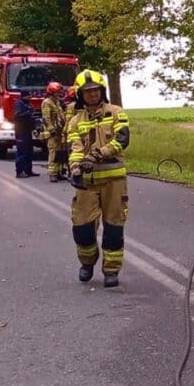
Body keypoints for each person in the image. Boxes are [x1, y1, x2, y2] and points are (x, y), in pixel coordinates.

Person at [67, 70, 130, 288]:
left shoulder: (116, 113)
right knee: (82, 228)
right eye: (88, 91)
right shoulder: (75, 122)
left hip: (114, 182)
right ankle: (87, 262)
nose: (92, 95)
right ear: (80, 95)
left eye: (96, 90)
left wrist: (97, 154)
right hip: (86, 183)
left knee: (113, 227)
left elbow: (122, 140)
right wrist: (75, 169)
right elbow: (74, 149)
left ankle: (111, 270)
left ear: (102, 91)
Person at [41, 82, 67, 182]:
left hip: (59, 131)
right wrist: (52, 129)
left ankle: (59, 172)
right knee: (53, 153)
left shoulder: (56, 102)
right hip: (52, 133)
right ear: (52, 92)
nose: (59, 93)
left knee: (60, 153)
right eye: (57, 92)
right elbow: (46, 117)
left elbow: (60, 116)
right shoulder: (47, 102)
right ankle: (52, 173)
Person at [13, 90, 38, 178]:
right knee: (21, 152)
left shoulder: (29, 104)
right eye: (29, 95)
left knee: (29, 151)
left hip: (28, 131)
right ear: (25, 96)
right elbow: (17, 115)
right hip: (21, 131)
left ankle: (28, 170)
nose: (30, 97)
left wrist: (34, 128)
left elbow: (32, 118)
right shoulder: (19, 104)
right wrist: (27, 114)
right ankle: (19, 172)